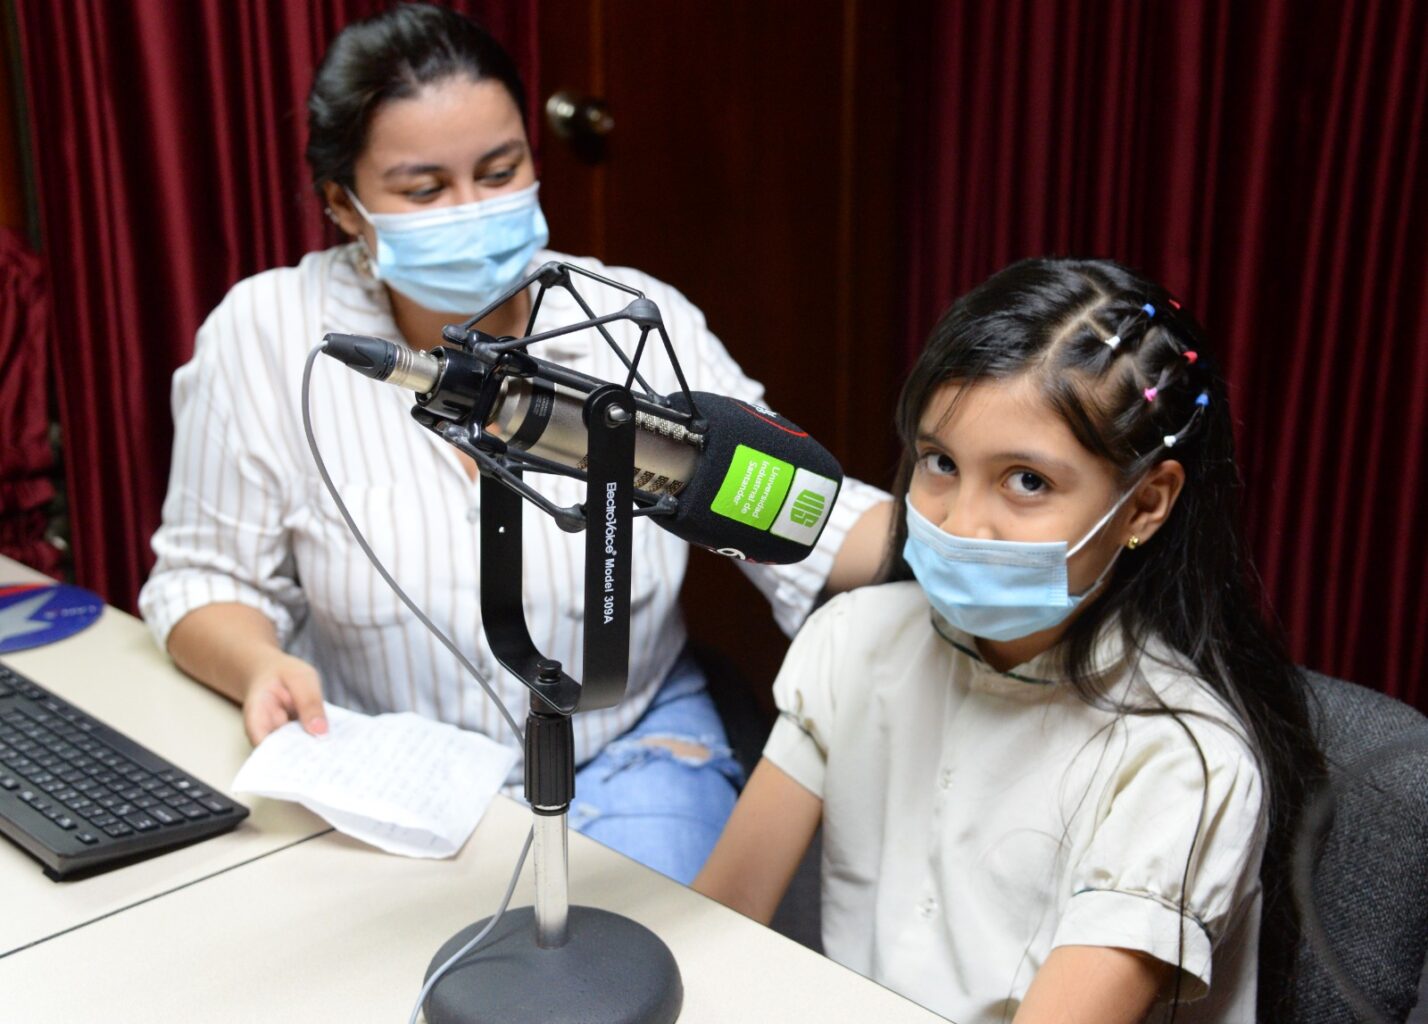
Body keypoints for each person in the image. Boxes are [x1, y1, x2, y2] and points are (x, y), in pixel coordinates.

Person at [137, 3, 890, 886]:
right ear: (342, 204)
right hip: (393, 774)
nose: (474, 210)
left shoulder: (634, 322)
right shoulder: (268, 337)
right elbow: (203, 580)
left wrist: (972, 547)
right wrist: (259, 663)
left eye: (501, 171)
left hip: (631, 750)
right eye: (425, 190)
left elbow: (811, 521)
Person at [694, 258, 1324, 1022]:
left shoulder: (1182, 761)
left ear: (1145, 505)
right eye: (941, 463)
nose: (961, 522)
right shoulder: (852, 643)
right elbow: (713, 936)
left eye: (1027, 481)